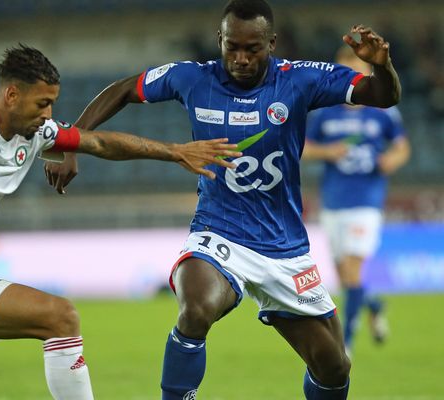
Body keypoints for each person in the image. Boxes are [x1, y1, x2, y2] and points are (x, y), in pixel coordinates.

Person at [45, 1, 402, 398]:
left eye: (253, 49)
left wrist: (382, 67)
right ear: (219, 40)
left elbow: (382, 97)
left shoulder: (299, 80)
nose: (241, 58)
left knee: (334, 367)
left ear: (272, 43)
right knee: (196, 309)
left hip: (284, 247)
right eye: (232, 47)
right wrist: (69, 142)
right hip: (219, 232)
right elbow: (125, 89)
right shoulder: (193, 79)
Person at [0, 44, 241, 400]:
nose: (48, 115)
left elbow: (98, 142)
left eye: (52, 104)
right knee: (60, 317)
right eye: (42, 104)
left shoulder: (34, 133)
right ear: (12, 95)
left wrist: (175, 152)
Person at [303, 45, 410, 356]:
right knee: (347, 278)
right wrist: (328, 152)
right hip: (334, 202)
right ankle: (374, 305)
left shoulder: (383, 110)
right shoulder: (326, 111)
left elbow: (403, 148)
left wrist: (392, 159)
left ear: (366, 71)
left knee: (351, 271)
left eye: (356, 65)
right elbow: (304, 148)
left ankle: (344, 344)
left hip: (367, 202)